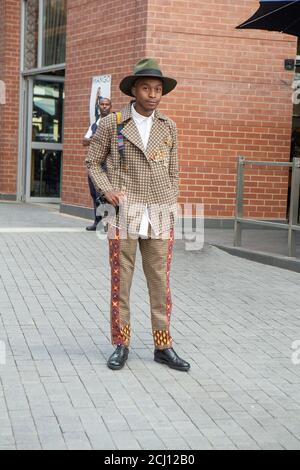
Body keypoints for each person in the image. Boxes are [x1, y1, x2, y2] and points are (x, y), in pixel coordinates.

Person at [85, 58, 190, 372]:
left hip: (159, 214)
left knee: (160, 282)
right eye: (146, 87)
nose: (153, 94)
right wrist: (107, 191)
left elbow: (174, 172)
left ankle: (163, 345)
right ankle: (122, 343)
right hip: (123, 214)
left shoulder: (168, 126)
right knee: (122, 282)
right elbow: (92, 162)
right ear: (134, 89)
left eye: (158, 89)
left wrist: (171, 198)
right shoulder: (113, 123)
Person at [83, 97, 112, 231]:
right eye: (102, 104)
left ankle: (108, 224)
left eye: (107, 104)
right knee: (95, 195)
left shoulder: (113, 123)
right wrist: (96, 138)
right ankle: (97, 222)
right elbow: (84, 141)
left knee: (106, 195)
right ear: (98, 106)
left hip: (108, 166)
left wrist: (93, 139)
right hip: (94, 165)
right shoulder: (94, 125)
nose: (104, 106)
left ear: (110, 107)